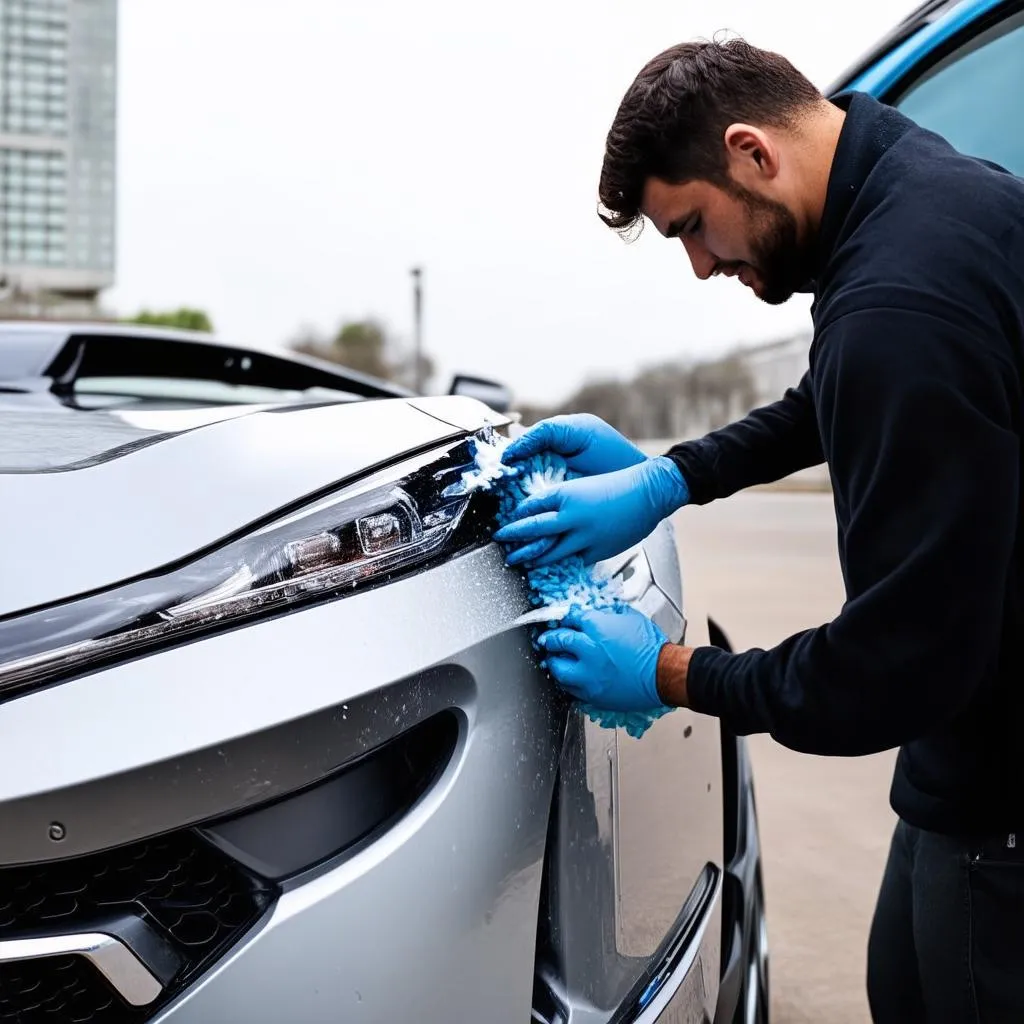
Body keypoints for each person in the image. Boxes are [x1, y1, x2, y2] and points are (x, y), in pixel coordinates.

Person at [494, 37, 1024, 1024]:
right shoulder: (918, 188)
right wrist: (669, 477)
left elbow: (889, 674)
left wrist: (669, 673)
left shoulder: (896, 305)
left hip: (1001, 810)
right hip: (967, 757)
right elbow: (835, 392)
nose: (699, 266)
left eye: (692, 226)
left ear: (750, 152)